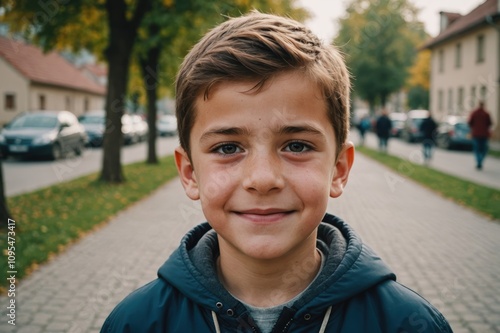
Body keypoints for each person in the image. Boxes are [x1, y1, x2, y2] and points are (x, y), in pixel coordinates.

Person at [101, 12, 451, 333]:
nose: (263, 179)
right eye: (227, 148)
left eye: (296, 146)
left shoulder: (408, 324)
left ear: (339, 169)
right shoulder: (136, 323)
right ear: (190, 173)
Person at [468, 101, 492, 170]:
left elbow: (470, 122)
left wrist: (474, 128)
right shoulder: (486, 114)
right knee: (483, 149)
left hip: (476, 134)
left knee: (477, 149)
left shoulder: (474, 113)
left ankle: (479, 162)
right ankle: (480, 161)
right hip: (484, 134)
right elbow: (490, 123)